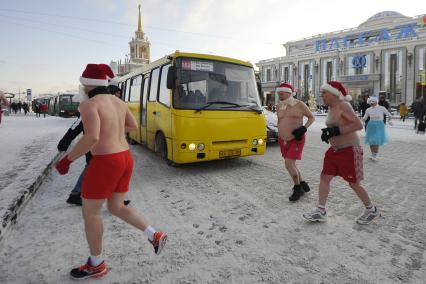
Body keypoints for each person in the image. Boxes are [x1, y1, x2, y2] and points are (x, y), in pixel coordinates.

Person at [55, 64, 167, 280]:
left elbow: (92, 138)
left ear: (88, 84)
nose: (81, 86)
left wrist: (67, 160)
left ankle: (96, 264)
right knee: (116, 207)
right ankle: (154, 235)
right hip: (125, 158)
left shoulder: (88, 105)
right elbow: (132, 125)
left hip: (105, 162)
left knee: (91, 213)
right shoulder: (118, 102)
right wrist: (113, 130)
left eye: (83, 82)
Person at [303, 81, 379, 225]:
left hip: (350, 150)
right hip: (334, 151)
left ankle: (371, 209)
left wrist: (335, 131)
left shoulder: (343, 105)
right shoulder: (331, 107)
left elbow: (358, 124)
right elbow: (336, 126)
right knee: (324, 177)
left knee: (354, 183)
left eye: (324, 93)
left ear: (334, 93)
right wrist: (328, 134)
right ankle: (321, 211)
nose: (322, 95)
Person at [276, 83, 315, 202]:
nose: (279, 95)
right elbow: (280, 121)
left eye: (281, 93)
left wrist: (304, 128)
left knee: (288, 164)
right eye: (278, 93)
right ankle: (302, 183)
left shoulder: (300, 104)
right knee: (291, 165)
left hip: (296, 139)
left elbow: (311, 117)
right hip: (283, 140)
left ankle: (297, 188)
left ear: (289, 92)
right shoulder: (279, 106)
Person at [363, 96, 392, 161]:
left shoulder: (382, 108)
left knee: (376, 140)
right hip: (371, 125)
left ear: (376, 101)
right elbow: (365, 117)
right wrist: (362, 121)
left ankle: (375, 155)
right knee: (371, 140)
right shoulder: (368, 109)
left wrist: (390, 120)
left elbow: (389, 114)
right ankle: (373, 154)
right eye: (370, 101)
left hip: (379, 125)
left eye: (373, 101)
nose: (372, 103)